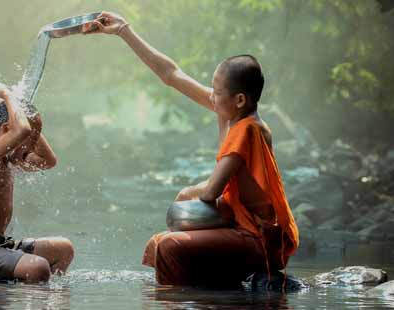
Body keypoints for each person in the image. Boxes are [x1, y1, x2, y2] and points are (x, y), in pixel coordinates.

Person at [85, 12, 299, 287]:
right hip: (239, 223)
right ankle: (195, 291)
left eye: (216, 91)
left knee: (169, 246)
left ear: (240, 99)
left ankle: (181, 298)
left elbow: (212, 192)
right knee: (160, 240)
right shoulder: (232, 113)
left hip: (260, 240)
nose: (211, 95)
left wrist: (185, 209)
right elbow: (172, 75)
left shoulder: (247, 130)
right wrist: (124, 31)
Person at [0, 81, 74, 283]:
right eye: (31, 139)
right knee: (37, 267)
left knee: (63, 249)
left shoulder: (11, 159)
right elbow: (22, 130)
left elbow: (49, 161)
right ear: (6, 130)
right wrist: (8, 96)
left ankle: (40, 296)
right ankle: (31, 287)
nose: (32, 148)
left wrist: (33, 122)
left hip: (0, 245)